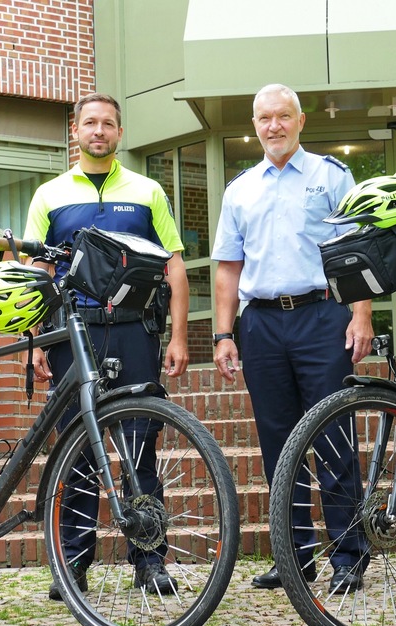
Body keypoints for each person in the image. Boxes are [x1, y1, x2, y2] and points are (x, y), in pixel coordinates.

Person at [23, 92, 190, 599]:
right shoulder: (48, 194)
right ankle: (72, 563)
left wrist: (179, 335)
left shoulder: (148, 191)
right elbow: (36, 271)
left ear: (120, 133)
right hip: (73, 334)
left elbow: (174, 265)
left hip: (136, 329)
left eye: (108, 124)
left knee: (140, 447)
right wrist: (34, 343)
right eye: (90, 123)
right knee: (76, 450)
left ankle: (150, 559)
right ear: (75, 132)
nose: (99, 131)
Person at [211, 83, 371, 594]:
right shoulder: (240, 189)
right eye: (264, 118)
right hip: (261, 325)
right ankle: (294, 558)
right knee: (279, 446)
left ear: (301, 120)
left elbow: (358, 244)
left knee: (333, 439)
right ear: (254, 125)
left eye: (283, 116)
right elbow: (227, 269)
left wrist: (361, 315)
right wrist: (223, 334)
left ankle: (349, 555)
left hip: (322, 318)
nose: (274, 126)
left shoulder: (332, 175)